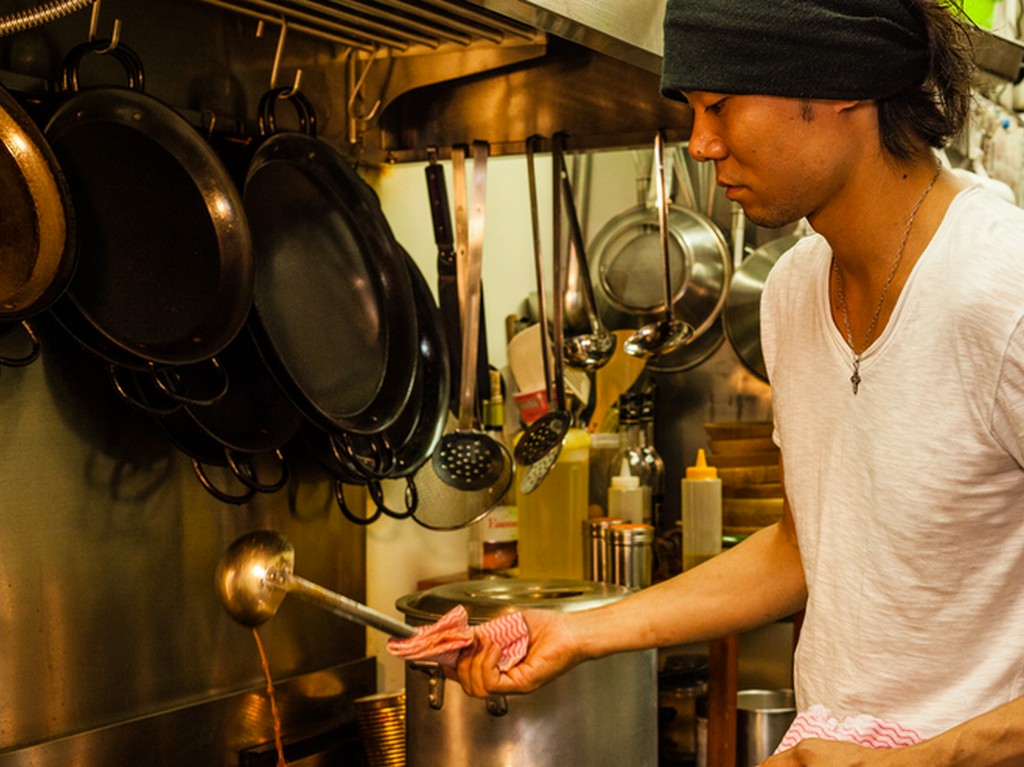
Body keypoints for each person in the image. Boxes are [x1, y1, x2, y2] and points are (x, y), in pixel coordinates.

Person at [455, 1, 1024, 763]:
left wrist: (915, 759)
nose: (700, 144)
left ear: (838, 83)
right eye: (692, 111)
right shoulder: (792, 290)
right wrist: (583, 630)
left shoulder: (1000, 291)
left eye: (720, 105)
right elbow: (804, 545)